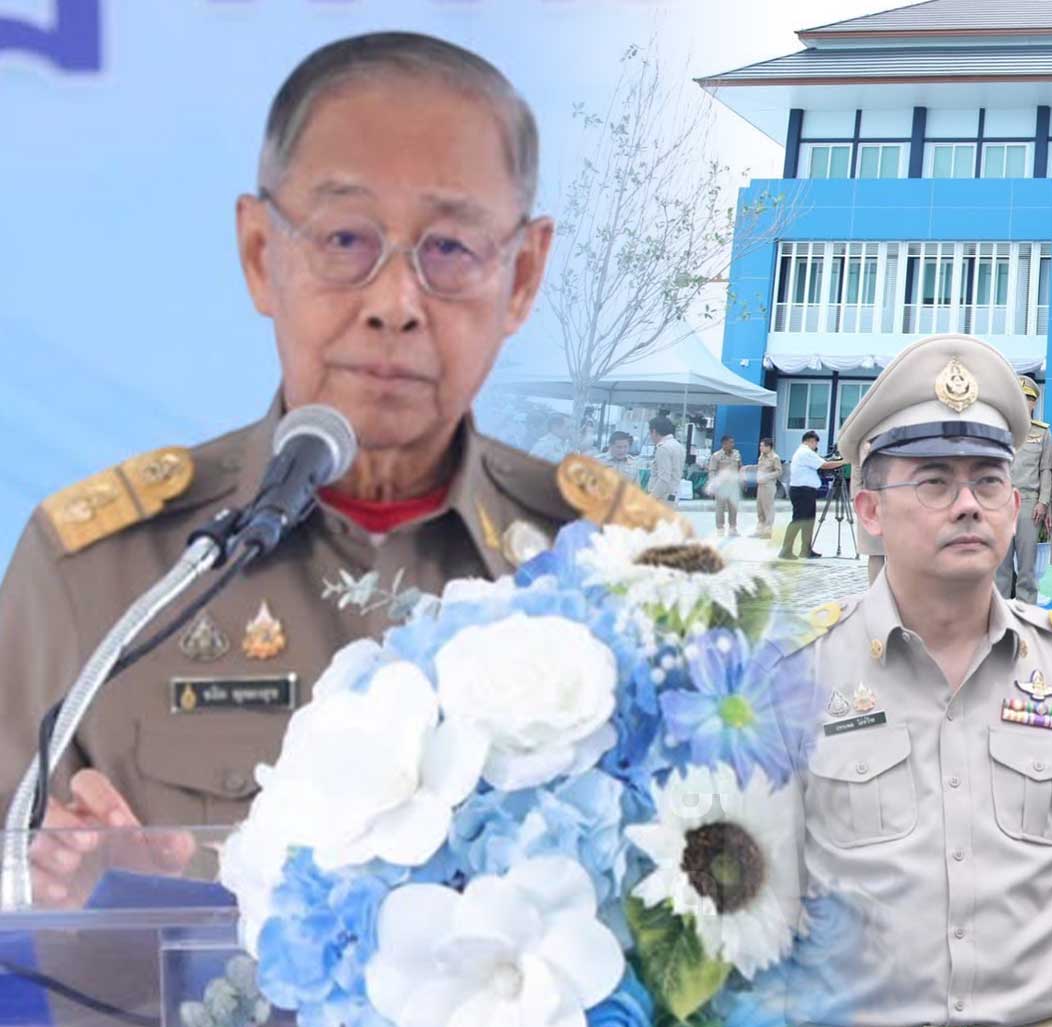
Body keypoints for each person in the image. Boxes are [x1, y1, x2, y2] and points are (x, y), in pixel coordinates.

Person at [0, 31, 684, 894]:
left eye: (450, 248)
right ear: (261, 254)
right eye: (345, 238)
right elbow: (16, 904)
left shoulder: (629, 573)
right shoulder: (101, 578)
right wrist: (85, 895)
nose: (395, 304)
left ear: (522, 276)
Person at [779, 333, 1052, 1027]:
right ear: (869, 509)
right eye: (933, 482)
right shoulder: (799, 676)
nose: (967, 506)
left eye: (988, 482)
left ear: (1014, 506)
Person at [997, 375, 1052, 604]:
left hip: (1029, 501)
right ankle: (1001, 608)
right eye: (1019, 397)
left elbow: (1046, 469)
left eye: (1028, 398)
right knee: (1000, 562)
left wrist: (1043, 501)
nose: (1023, 402)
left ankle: (1026, 609)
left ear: (1035, 403)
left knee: (1027, 561)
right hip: (1001, 501)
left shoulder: (1042, 433)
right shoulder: (1000, 430)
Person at [779, 430, 827, 559]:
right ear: (810, 441)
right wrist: (843, 462)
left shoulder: (804, 452)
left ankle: (806, 550)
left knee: (808, 521)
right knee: (799, 520)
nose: (816, 446)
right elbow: (824, 465)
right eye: (815, 443)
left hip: (806, 491)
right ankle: (786, 550)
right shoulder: (805, 452)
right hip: (802, 491)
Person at [707, 433, 743, 537]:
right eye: (730, 442)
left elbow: (740, 467)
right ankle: (720, 528)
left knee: (733, 508)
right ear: (724, 444)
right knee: (720, 508)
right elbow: (712, 471)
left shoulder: (737, 454)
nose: (732, 444)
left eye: (733, 442)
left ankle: (733, 528)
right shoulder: (716, 456)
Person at [646, 413, 685, 504]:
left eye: (650, 433)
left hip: (661, 498)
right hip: (673, 495)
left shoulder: (663, 448)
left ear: (654, 431)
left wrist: (651, 497)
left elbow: (664, 478)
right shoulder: (678, 446)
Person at [754, 436, 782, 538]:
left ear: (768, 447)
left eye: (762, 446)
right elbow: (759, 468)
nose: (760, 448)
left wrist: (766, 477)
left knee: (768, 507)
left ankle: (768, 530)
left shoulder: (775, 457)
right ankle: (760, 529)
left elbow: (779, 471)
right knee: (760, 507)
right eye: (760, 446)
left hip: (768, 486)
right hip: (760, 485)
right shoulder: (761, 456)